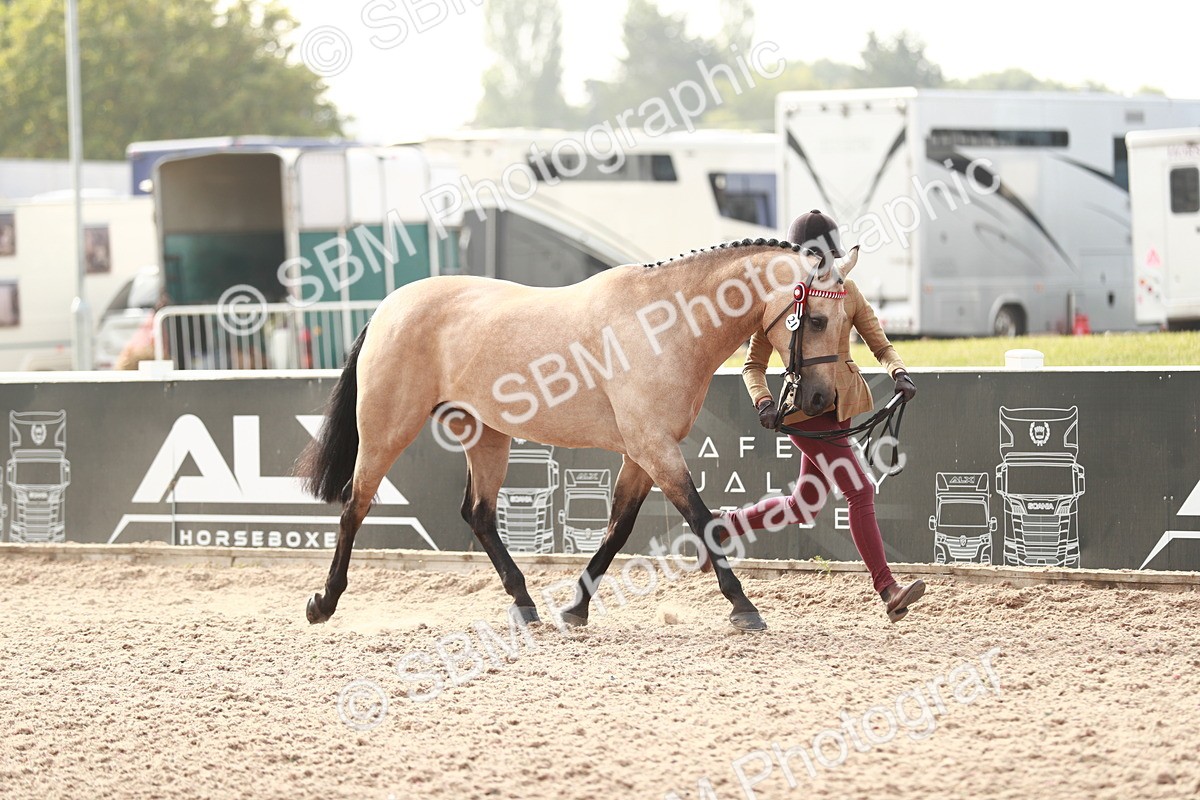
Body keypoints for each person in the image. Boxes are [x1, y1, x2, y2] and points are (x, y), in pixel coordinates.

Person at [720, 209, 925, 623]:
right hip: (803, 414)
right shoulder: (778, 299)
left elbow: (880, 345)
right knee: (860, 491)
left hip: (841, 408)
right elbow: (752, 364)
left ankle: (723, 526)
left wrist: (899, 372)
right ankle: (887, 589)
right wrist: (763, 401)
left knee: (805, 504)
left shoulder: (847, 293)